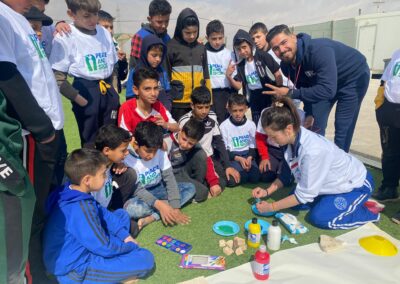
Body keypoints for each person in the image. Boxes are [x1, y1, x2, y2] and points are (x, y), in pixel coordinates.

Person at [0, 1, 65, 282]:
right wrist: (42, 130)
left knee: (43, 209)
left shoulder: (19, 18)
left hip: (49, 131)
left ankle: (41, 267)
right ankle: (32, 275)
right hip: (34, 135)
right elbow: (7, 77)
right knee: (29, 214)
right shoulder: (2, 17)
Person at [252, 97, 380, 230]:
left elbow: (303, 195)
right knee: (294, 202)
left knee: (319, 218)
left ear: (288, 129)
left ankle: (369, 212)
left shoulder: (312, 151)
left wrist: (271, 207)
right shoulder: (289, 140)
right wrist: (267, 192)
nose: (270, 140)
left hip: (355, 184)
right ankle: (332, 202)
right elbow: (285, 174)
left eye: (273, 136)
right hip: (329, 184)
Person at [43, 148, 154, 283]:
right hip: (74, 270)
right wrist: (130, 246)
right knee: (145, 258)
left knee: (121, 215)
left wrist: (125, 236)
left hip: (78, 249)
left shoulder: (71, 190)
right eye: (102, 174)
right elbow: (104, 246)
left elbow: (103, 213)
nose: (106, 177)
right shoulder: (81, 208)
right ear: (87, 180)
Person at [265, 24, 370, 152]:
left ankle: (339, 166)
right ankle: (315, 158)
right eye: (276, 48)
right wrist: (309, 113)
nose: (281, 50)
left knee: (342, 126)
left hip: (352, 77)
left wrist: (290, 93)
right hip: (324, 83)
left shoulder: (319, 51)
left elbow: (327, 90)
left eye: (284, 42)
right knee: (314, 125)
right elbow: (306, 89)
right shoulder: (286, 66)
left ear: (293, 37)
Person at [50, 0, 119, 147]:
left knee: (112, 138)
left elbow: (112, 66)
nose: (93, 20)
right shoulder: (66, 36)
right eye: (87, 16)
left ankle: (110, 169)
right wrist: (79, 99)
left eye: (95, 14)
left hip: (107, 88)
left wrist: (115, 91)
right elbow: (57, 77)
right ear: (71, 14)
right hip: (86, 90)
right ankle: (92, 169)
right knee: (90, 141)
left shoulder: (104, 32)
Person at [123, 121, 195, 230]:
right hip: (140, 196)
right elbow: (137, 190)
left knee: (190, 188)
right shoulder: (126, 156)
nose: (151, 155)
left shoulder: (160, 151)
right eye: (148, 151)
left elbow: (169, 178)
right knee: (131, 209)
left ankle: (153, 217)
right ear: (136, 144)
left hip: (159, 189)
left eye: (155, 151)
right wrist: (160, 205)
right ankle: (163, 208)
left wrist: (175, 207)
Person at [179, 86, 240, 191]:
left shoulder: (212, 116)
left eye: (207, 107)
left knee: (231, 181)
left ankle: (207, 181)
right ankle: (200, 182)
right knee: (219, 183)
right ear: (192, 105)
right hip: (194, 160)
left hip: (210, 158)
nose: (204, 111)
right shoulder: (184, 121)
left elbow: (219, 142)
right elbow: (181, 147)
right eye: (200, 107)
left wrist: (228, 166)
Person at [228, 29, 283, 124]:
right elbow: (239, 86)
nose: (242, 51)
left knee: (272, 123)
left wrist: (278, 92)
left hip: (268, 94)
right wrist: (228, 76)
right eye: (239, 49)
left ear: (250, 44)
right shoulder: (240, 64)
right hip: (254, 98)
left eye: (244, 47)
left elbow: (277, 74)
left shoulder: (263, 56)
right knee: (258, 124)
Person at [167, 8, 211, 120]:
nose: (192, 36)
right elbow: (166, 75)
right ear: (179, 30)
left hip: (198, 102)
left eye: (195, 32)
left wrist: (209, 100)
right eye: (187, 33)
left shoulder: (201, 48)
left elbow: (206, 75)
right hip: (178, 102)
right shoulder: (170, 47)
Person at [372, 49, 400, 224]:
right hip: (390, 108)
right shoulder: (398, 53)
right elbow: (387, 78)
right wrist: (380, 102)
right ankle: (389, 188)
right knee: (390, 151)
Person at [118, 67, 179, 145]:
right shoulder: (126, 108)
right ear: (136, 90)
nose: (153, 94)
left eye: (156, 88)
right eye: (147, 89)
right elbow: (124, 139)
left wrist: (166, 124)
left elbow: (177, 127)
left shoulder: (159, 106)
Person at [94, 125, 138, 219]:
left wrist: (116, 163)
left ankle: (115, 210)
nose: (127, 153)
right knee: (131, 227)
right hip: (98, 214)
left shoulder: (110, 161)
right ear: (106, 150)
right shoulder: (93, 173)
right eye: (123, 150)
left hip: (107, 205)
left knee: (130, 174)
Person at [220, 93, 260, 186]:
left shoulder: (251, 125)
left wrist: (250, 158)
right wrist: (239, 159)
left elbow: (253, 146)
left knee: (255, 178)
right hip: (233, 156)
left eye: (241, 110)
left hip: (247, 154)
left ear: (246, 109)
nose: (238, 114)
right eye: (234, 111)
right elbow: (225, 151)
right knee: (235, 180)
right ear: (229, 110)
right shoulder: (224, 126)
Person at [167, 118, 210, 202]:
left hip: (184, 170)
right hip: (171, 174)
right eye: (184, 139)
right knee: (203, 193)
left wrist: (213, 182)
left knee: (200, 154)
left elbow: (206, 159)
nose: (185, 144)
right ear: (180, 131)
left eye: (190, 143)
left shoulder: (195, 143)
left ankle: (197, 184)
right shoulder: (167, 142)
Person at [125, 34, 172, 110]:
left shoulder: (162, 71)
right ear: (144, 52)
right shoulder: (135, 71)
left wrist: (167, 107)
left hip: (161, 113)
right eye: (154, 55)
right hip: (142, 115)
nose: (158, 59)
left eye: (160, 56)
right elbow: (130, 96)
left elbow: (167, 92)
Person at [205, 19, 236, 124]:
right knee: (211, 124)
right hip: (209, 94)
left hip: (225, 94)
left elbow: (235, 80)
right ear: (207, 38)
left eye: (220, 38)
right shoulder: (203, 53)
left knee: (225, 124)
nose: (217, 42)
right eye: (213, 39)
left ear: (224, 37)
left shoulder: (230, 54)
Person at [129, 0, 171, 69]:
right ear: (149, 19)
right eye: (159, 22)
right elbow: (134, 65)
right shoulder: (139, 37)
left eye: (166, 21)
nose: (164, 25)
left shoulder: (167, 37)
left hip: (164, 78)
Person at [98, 9, 128, 94]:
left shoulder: (115, 46)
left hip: (114, 96)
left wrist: (122, 61)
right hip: (98, 96)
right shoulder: (90, 48)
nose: (110, 30)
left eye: (111, 27)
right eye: (105, 27)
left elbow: (122, 77)